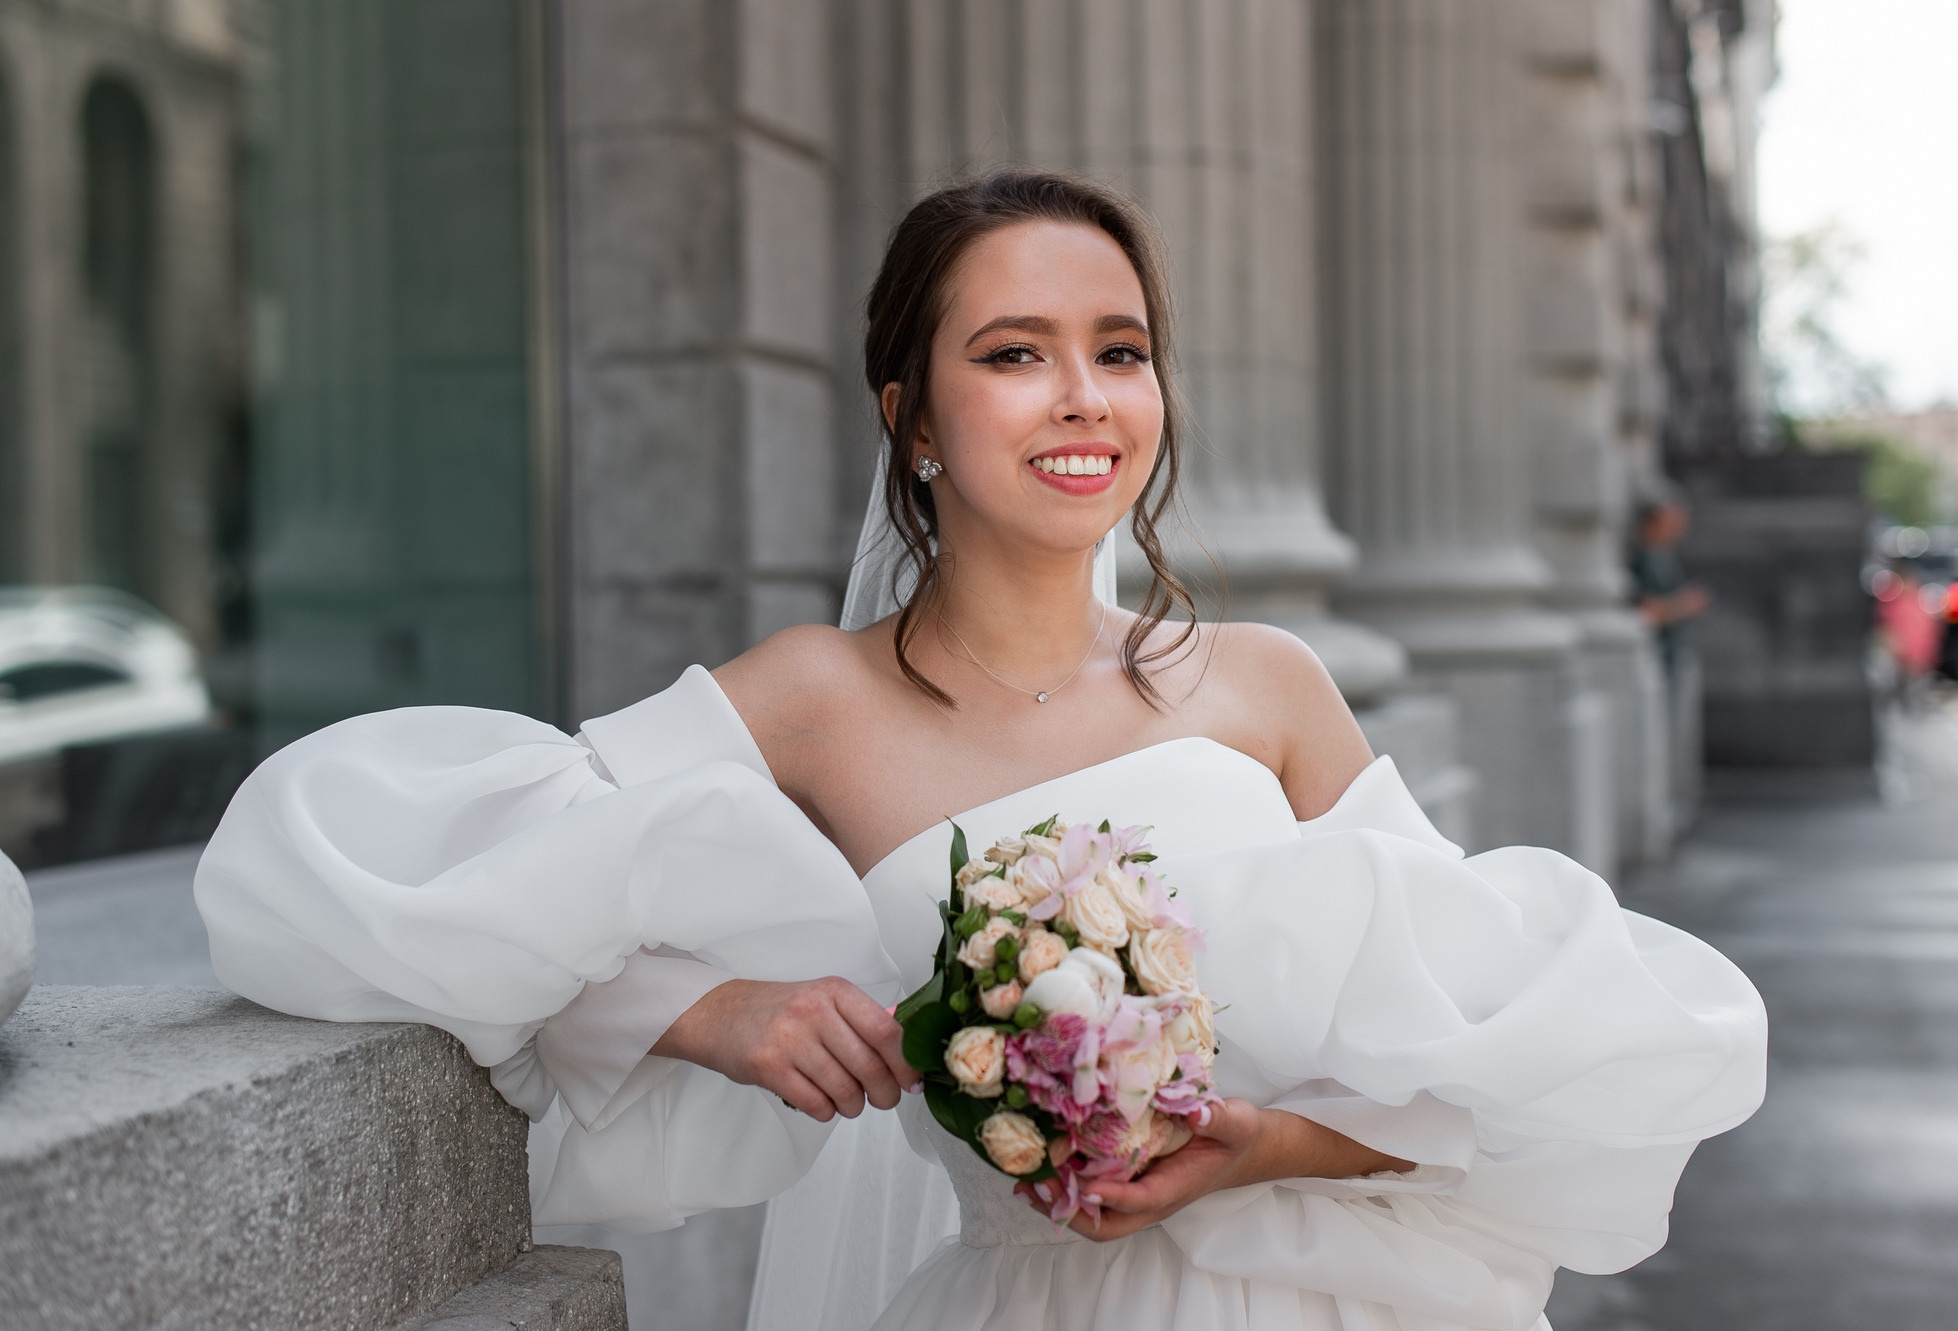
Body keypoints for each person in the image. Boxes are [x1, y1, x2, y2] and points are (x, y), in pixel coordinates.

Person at [195, 172, 1765, 1331]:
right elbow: (357, 861)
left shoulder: (1270, 687)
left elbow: (1484, 1059)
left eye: (1122, 349)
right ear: (915, 415)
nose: (1084, 396)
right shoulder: (810, 699)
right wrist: (703, 1004)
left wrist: (1256, 1144)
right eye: (1015, 352)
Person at [1630, 493, 1710, 678]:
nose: (1679, 527)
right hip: (1655, 655)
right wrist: (1686, 605)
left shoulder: (1664, 556)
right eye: (1672, 521)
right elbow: (1646, 612)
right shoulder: (1645, 560)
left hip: (1671, 653)